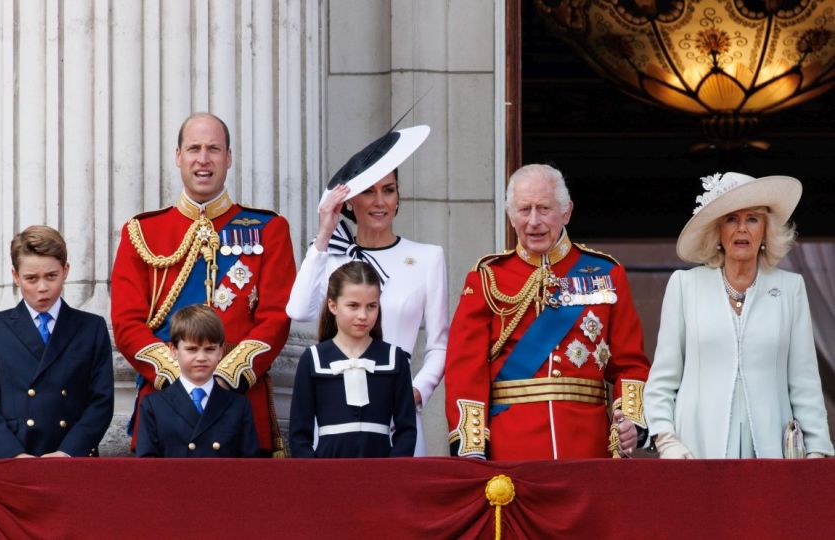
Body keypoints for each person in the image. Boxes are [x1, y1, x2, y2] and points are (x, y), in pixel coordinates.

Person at [111, 112, 296, 456]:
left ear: (228, 158)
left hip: (240, 403)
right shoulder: (142, 232)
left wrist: (225, 375)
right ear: (178, 156)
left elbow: (276, 317)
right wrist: (177, 377)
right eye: (194, 148)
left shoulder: (270, 229)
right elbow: (126, 323)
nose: (203, 159)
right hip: (164, 406)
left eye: (214, 148)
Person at [444, 164, 650, 460]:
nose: (533, 221)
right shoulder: (487, 277)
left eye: (544, 209)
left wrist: (631, 422)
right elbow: (465, 369)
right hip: (511, 448)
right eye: (524, 209)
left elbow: (630, 363)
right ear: (510, 215)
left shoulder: (606, 273)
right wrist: (472, 450)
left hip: (588, 446)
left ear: (566, 212)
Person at [644, 172, 834, 459]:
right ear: (718, 231)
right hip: (696, 451)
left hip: (771, 454)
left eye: (753, 219)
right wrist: (667, 441)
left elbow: (804, 380)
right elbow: (663, 380)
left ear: (766, 232)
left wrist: (817, 449)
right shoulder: (685, 286)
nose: (741, 228)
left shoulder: (790, 288)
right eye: (731, 219)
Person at [286, 125, 447, 456]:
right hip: (335, 422)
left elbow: (439, 345)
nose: (379, 202)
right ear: (350, 201)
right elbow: (298, 310)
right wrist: (323, 236)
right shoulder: (330, 256)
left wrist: (413, 393)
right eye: (369, 191)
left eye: (388, 190)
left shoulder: (429, 258)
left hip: (396, 418)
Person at [0, 225, 114, 459]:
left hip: (72, 460)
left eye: (51, 276)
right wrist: (13, 454)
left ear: (65, 271)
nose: (42, 288)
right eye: (31, 278)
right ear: (16, 276)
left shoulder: (91, 328)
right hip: (14, 458)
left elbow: (101, 401)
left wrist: (68, 452)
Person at [289, 261, 416, 458]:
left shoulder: (394, 358)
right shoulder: (313, 359)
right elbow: (299, 435)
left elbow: (406, 429)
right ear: (333, 305)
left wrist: (393, 472)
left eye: (371, 306)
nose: (363, 315)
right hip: (327, 474)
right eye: (353, 306)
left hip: (382, 473)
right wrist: (314, 474)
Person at [135, 305, 259, 457]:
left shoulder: (238, 406)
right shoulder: (154, 406)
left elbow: (249, 469)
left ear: (221, 352)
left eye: (209, 349)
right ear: (174, 351)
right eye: (192, 349)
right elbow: (147, 468)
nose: (201, 358)